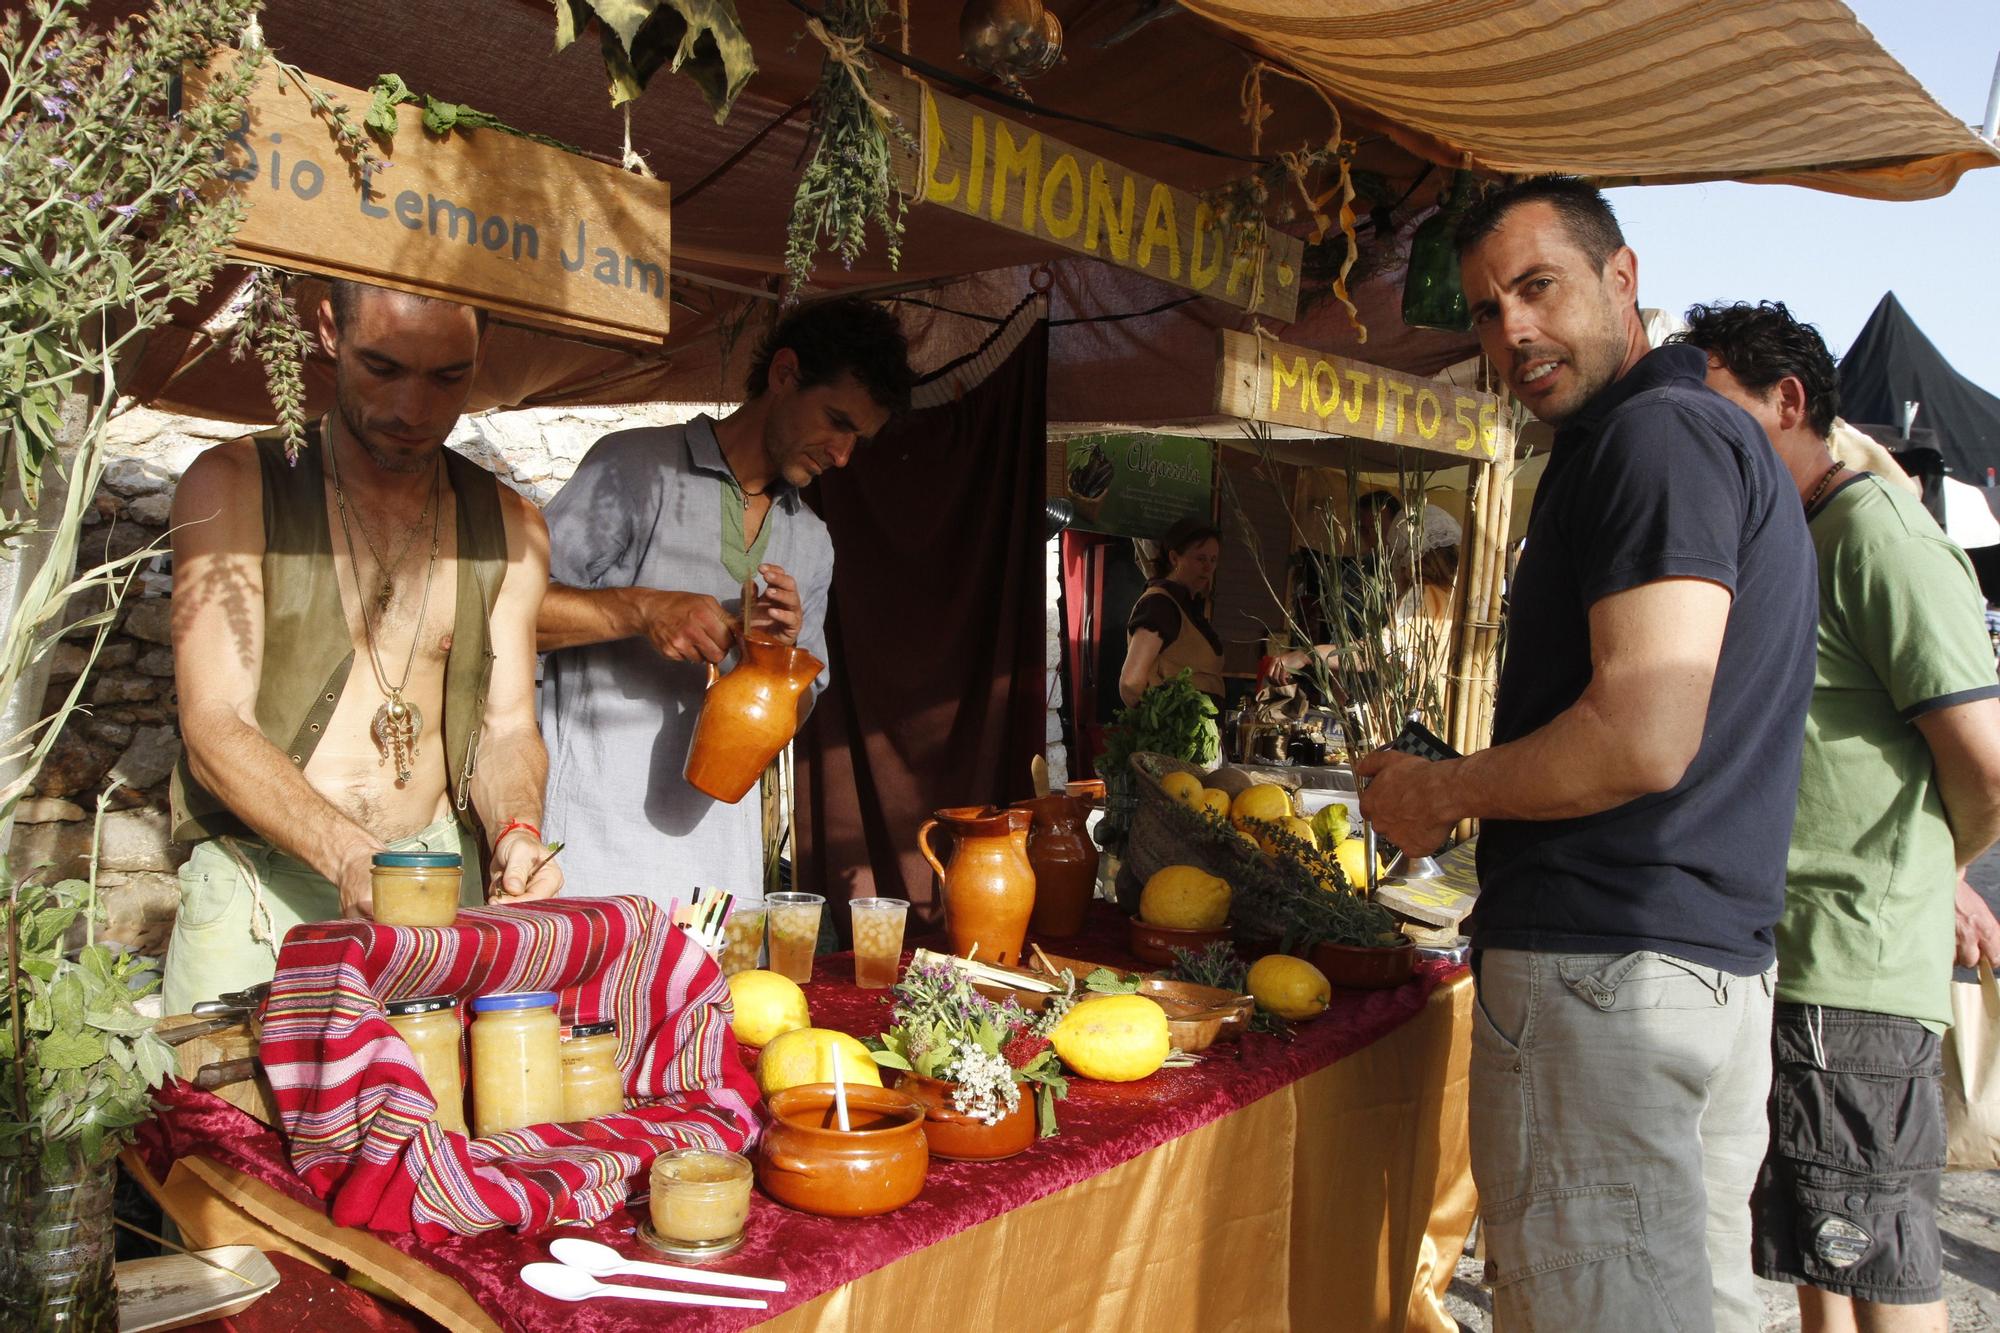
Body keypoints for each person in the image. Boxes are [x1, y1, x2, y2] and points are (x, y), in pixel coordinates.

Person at [1353, 176, 1818, 1331]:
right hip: (1692, 975)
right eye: (1481, 307)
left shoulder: (1652, 437)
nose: (1509, 329)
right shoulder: (1694, 440)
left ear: (1622, 279)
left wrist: (1440, 791)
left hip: (1609, 978)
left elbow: (1639, 736)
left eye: (1536, 285)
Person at [1678, 301, 2000, 1333]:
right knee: (1826, 1259)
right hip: (1801, 960)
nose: (1707, 447)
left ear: (1789, 402)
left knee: (1880, 1274)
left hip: (1853, 976)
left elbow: (1984, 765)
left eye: (1723, 418)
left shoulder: (1876, 534)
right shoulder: (1803, 534)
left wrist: (1923, 875)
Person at [165, 281, 562, 1013]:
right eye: (383, 367)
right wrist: (351, 856)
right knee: (225, 1128)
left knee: (442, 1119)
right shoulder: (231, 486)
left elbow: (506, 729)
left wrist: (515, 831)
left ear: (482, 354)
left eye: (448, 377)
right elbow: (213, 723)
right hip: (263, 889)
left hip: (438, 885)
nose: (414, 410)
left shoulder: (513, 525)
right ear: (328, 331)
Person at [536, 298, 913, 910]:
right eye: (836, 420)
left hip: (720, 875)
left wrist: (775, 662)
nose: (843, 455)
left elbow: (792, 716)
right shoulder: (633, 469)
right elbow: (509, 617)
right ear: (785, 374)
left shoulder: (813, 542)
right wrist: (641, 609)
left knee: (727, 1005)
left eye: (858, 440)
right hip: (590, 857)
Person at [1118, 517, 1224, 708]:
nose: (1208, 568)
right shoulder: (1160, 604)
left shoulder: (1187, 605)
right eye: (1200, 558)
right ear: (1175, 558)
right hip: (1175, 735)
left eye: (1213, 560)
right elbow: (1130, 683)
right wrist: (1163, 729)